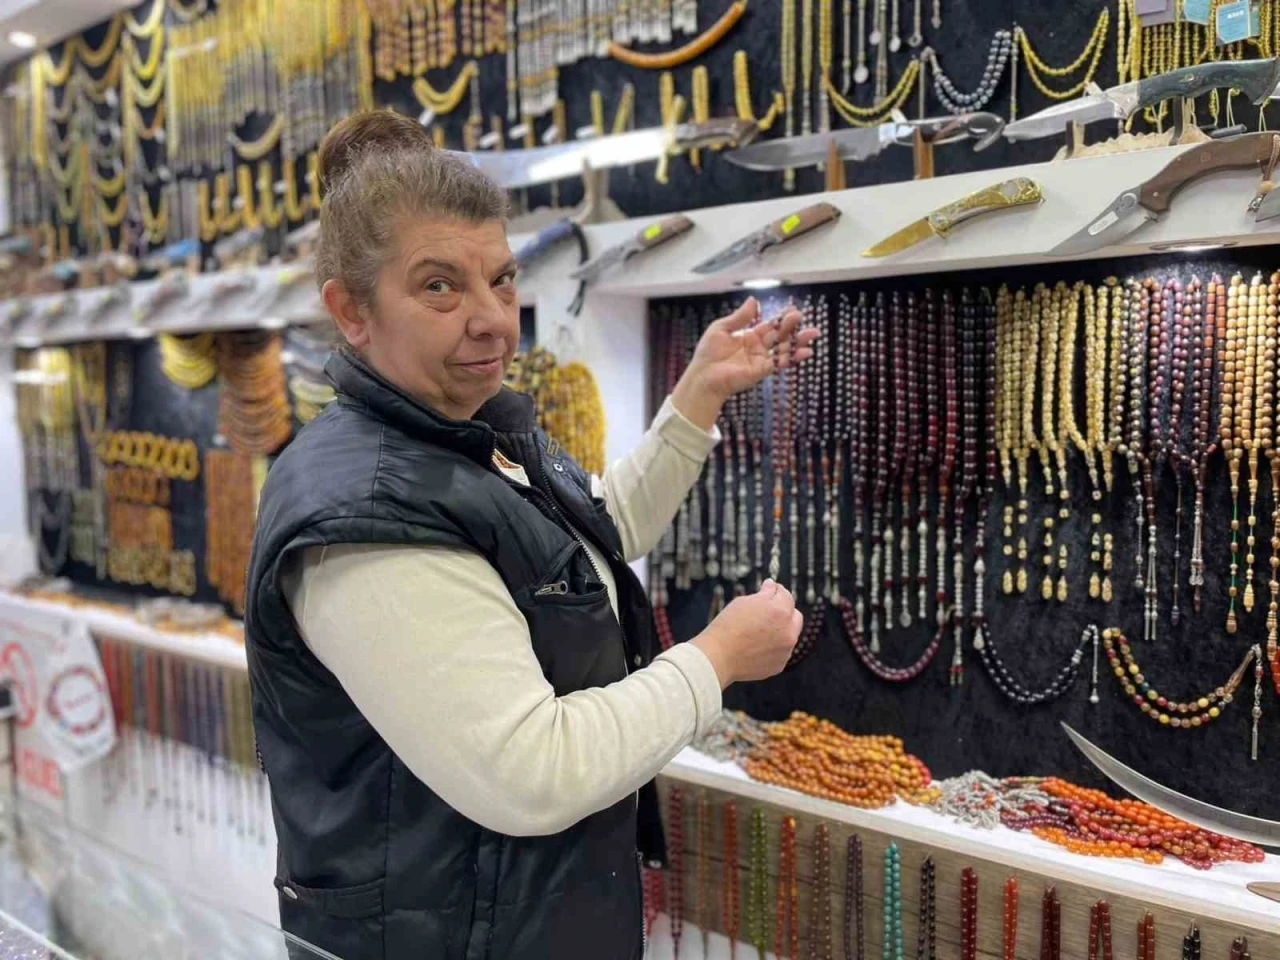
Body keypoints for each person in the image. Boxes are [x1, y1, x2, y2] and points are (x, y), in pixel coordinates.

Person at [244, 110, 818, 960]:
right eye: (440, 287)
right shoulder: (366, 512)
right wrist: (717, 659)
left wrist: (696, 397)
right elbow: (530, 772)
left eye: (503, 280)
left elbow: (593, 537)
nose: (493, 320)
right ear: (352, 312)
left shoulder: (463, 435)